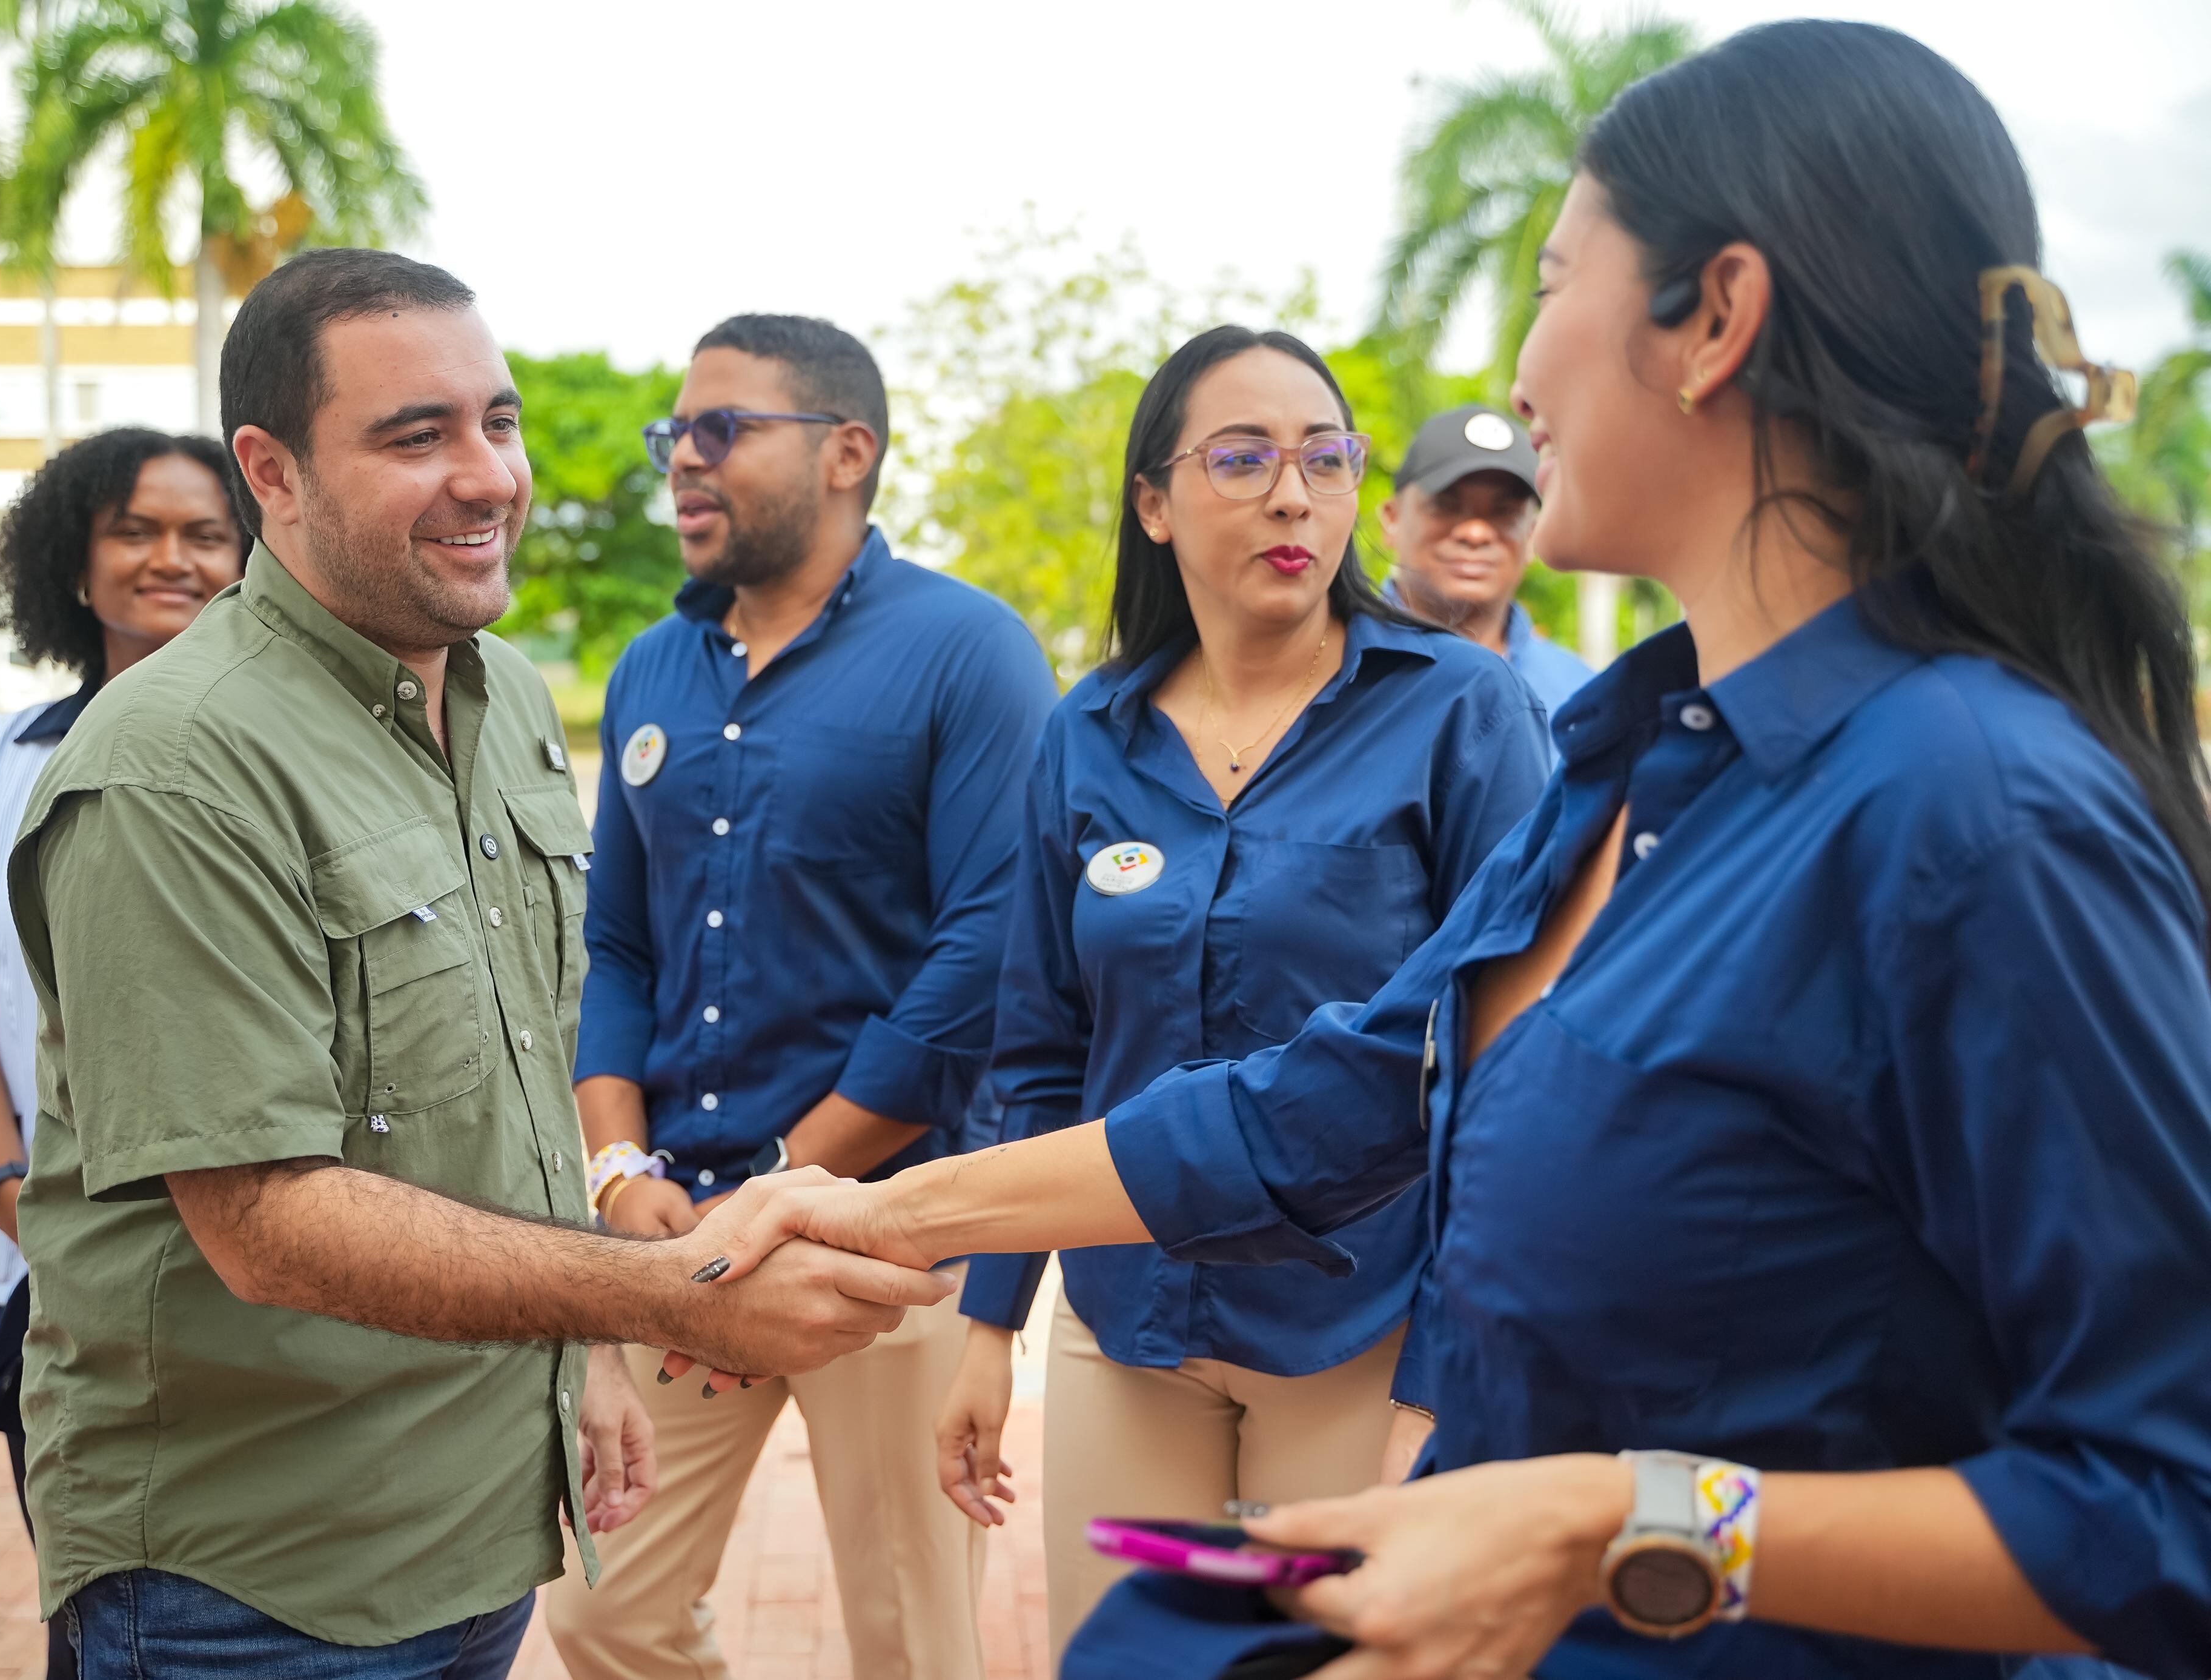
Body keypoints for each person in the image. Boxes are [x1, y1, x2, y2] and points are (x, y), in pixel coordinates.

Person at [687, 21, 2211, 1680]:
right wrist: (881, 1216)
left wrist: (1614, 1522)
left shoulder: (1975, 808)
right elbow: (1320, 1101)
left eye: (1553, 284)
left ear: (1716, 321)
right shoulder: (1628, 762)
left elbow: (2166, 1509)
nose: (1526, 371)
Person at [6, 251, 950, 1678]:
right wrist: (657, 1289)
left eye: (495, 422)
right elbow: (264, 1220)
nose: (487, 475)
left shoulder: (498, 692)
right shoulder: (172, 768)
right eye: (414, 436)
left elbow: (505, 1087)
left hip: (477, 1528)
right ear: (270, 471)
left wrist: (582, 1363)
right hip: (251, 1583)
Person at [930, 326, 1548, 1652]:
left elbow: (1512, 1074)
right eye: (1245, 458)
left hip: (1363, 1331)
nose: (1293, 494)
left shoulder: (1460, 713)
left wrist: (1441, 1381)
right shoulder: (1082, 733)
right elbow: (1039, 1052)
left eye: (1325, 458)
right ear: (1152, 503)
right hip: (1126, 1321)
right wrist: (991, 1324)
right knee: (1115, 1652)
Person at [542, 316, 1055, 1680]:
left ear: (847, 452)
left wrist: (783, 1186)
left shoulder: (969, 651)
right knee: (604, 1611)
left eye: (721, 429)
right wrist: (614, 1164)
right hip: (676, 1233)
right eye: (675, 435)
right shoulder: (654, 667)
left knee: (911, 1637)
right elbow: (619, 946)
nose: (682, 462)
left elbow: (983, 959)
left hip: (886, 1232)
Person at [0, 428, 250, 1680]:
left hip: (250, 1281)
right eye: (134, 530)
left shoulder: (292, 750)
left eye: (205, 533)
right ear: (74, 560)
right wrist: (9, 1196)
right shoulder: (1, 762)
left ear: (251, 553)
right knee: (96, 1605)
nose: (171, 558)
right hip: (45, 1275)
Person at [1379, 403, 1595, 722]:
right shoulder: (1324, 669)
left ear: (1531, 536)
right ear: (1392, 520)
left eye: (1504, 513)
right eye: (1446, 506)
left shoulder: (1582, 699)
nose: (1477, 533)